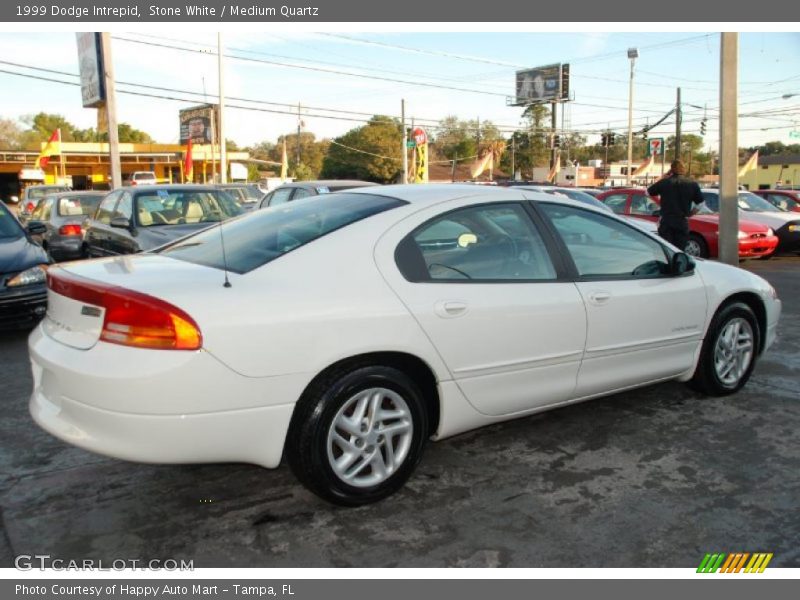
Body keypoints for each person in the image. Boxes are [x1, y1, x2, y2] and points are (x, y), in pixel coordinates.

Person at [647, 159, 704, 251]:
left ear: (671, 169)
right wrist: (691, 213)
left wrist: (664, 178)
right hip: (682, 221)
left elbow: (647, 192)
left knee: (666, 250)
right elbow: (701, 203)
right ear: (684, 169)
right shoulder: (692, 184)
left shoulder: (664, 182)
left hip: (666, 221)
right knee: (679, 250)